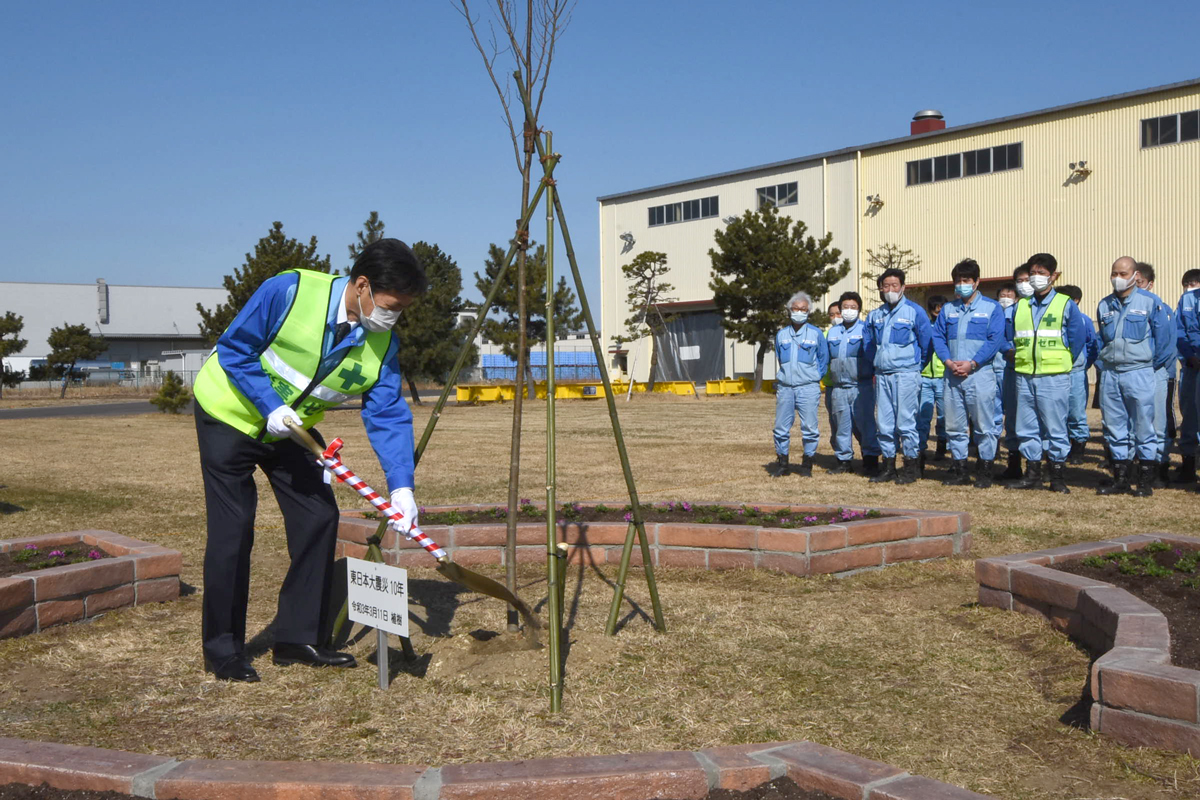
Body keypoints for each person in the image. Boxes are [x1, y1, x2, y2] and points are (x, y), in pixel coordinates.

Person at [191, 239, 428, 682]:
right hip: (229, 414)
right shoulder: (290, 290)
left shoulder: (382, 344)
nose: (393, 317)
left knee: (318, 516)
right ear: (362, 285)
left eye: (402, 310)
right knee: (234, 528)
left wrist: (401, 486)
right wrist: (267, 405)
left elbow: (387, 413)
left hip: (293, 431)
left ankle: (297, 639)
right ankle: (222, 650)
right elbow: (235, 349)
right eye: (391, 305)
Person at [1006, 253, 1088, 493]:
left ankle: (1058, 476)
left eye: (1042, 273)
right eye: (1033, 273)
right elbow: (1012, 337)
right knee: (1026, 426)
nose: (1036, 277)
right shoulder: (1021, 305)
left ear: (1053, 276)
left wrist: (1063, 361)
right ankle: (1032, 474)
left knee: (1055, 427)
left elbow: (1077, 338)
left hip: (1053, 376)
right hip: (1024, 375)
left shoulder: (1065, 303)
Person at [1095, 256, 1173, 496]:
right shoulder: (1104, 304)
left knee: (1143, 425)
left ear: (1135, 275)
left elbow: (1165, 341)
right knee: (1115, 426)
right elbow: (1103, 338)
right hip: (1111, 373)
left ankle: (1145, 481)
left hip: (1139, 372)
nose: (1117, 278)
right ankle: (1120, 478)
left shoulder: (1151, 302)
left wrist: (1149, 365)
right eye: (1114, 273)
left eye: (1122, 273)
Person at [931, 259, 1006, 488]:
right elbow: (938, 337)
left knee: (984, 426)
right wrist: (947, 361)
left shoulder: (992, 309)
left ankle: (985, 470)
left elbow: (994, 341)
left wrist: (973, 363)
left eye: (966, 280)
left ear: (976, 282)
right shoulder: (948, 309)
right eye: (958, 281)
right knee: (954, 425)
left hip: (980, 375)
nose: (961, 285)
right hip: (952, 376)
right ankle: (960, 469)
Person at [867, 268, 933, 484]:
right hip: (883, 375)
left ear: (903, 287)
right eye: (886, 286)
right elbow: (869, 345)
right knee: (884, 423)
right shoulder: (875, 315)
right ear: (880, 289)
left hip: (906, 374)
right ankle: (888, 466)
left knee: (906, 422)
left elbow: (926, 344)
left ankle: (911, 467)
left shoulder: (915, 312)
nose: (890, 289)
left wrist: (916, 366)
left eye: (895, 285)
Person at [771, 291, 829, 477]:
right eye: (796, 308)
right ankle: (783, 463)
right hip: (786, 387)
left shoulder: (816, 333)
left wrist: (814, 377)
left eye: (803, 309)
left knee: (810, 428)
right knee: (781, 427)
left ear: (808, 311)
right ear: (789, 310)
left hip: (808, 387)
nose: (799, 312)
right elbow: (780, 358)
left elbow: (823, 359)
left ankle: (807, 464)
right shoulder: (781, 335)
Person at [825, 291, 880, 474]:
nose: (849, 310)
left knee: (866, 424)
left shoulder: (866, 330)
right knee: (841, 425)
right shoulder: (832, 332)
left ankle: (870, 460)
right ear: (840, 309)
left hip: (861, 386)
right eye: (845, 307)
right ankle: (843, 461)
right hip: (839, 387)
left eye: (853, 307)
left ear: (859, 310)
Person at [1133, 263, 1177, 487]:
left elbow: (1167, 345)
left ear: (1149, 284)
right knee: (1134, 421)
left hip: (1155, 371)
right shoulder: (1120, 307)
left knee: (1158, 422)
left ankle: (1160, 466)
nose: (1135, 287)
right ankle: (1137, 466)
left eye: (1139, 283)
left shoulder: (1162, 309)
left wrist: (1149, 366)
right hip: (1131, 373)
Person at [1056, 285, 1100, 464]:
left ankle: (1078, 448)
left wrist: (1082, 364)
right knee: (1058, 412)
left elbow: (1092, 345)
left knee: (1076, 411)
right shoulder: (1054, 318)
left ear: (1076, 301)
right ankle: (1060, 446)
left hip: (1075, 371)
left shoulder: (1083, 320)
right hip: (1056, 371)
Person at [996, 268, 1033, 480]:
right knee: (1012, 417)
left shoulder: (1046, 310)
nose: (1024, 284)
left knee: (1036, 420)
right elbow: (998, 336)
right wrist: (1006, 350)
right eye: (1019, 281)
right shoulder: (1009, 312)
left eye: (1027, 280)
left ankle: (1035, 466)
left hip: (1038, 371)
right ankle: (1013, 464)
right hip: (1012, 369)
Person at [1175, 269, 1200, 485]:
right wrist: (1190, 357)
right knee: (1189, 413)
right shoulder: (1187, 300)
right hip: (1191, 366)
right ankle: (1188, 466)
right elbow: (1179, 331)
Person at [917, 295, 948, 468]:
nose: (938, 311)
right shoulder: (925, 326)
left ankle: (942, 446)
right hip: (925, 376)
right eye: (935, 307)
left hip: (944, 376)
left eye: (941, 307)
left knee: (944, 415)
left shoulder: (949, 326)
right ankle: (921, 448)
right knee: (923, 415)